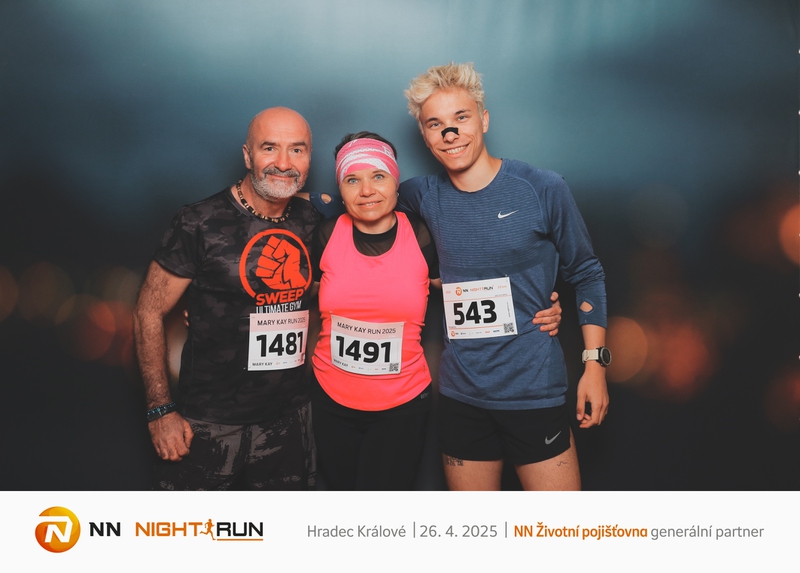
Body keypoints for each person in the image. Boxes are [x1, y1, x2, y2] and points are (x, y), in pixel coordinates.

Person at [398, 62, 610, 491]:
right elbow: (353, 205)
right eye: (435, 124)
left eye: (461, 117)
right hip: (460, 397)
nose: (450, 133)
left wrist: (595, 365)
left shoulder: (542, 188)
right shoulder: (418, 195)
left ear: (484, 119)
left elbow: (587, 272)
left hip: (533, 391)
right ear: (424, 135)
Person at [133, 107, 321, 490]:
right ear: (248, 156)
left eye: (297, 150)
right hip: (205, 424)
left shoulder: (314, 220)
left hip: (289, 424)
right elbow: (147, 313)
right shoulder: (198, 222)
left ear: (309, 158)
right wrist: (160, 411)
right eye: (269, 148)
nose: (284, 162)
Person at [309, 132, 438, 490]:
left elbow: (463, 293)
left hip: (403, 403)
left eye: (378, 176)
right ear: (341, 188)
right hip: (329, 399)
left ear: (396, 181)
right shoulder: (326, 234)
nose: (366, 191)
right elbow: (297, 296)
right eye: (352, 180)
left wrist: (538, 304)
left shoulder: (422, 236)